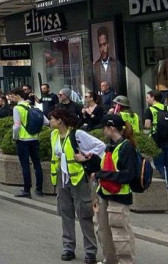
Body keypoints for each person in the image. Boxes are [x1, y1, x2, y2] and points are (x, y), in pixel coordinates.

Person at [48, 108, 103, 263]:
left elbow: (99, 145)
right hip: (63, 180)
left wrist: (85, 157)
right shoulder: (53, 135)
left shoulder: (77, 134)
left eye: (51, 119)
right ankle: (68, 248)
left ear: (60, 120)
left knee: (84, 215)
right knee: (66, 214)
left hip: (78, 179)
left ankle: (90, 252)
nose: (50, 122)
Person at [94, 114, 137, 264]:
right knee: (104, 231)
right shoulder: (110, 145)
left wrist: (101, 174)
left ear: (111, 128)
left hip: (119, 196)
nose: (102, 131)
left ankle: (126, 261)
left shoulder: (126, 147)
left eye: (104, 128)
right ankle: (110, 260)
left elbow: (127, 175)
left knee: (120, 233)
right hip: (105, 193)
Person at [11, 87, 44, 197]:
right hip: (34, 138)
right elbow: (45, 121)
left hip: (23, 140)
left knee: (25, 165)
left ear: (17, 96)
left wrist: (15, 137)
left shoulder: (17, 108)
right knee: (37, 164)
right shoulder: (31, 106)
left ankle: (27, 190)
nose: (11, 98)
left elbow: (16, 126)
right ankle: (39, 189)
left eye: (12, 96)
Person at [144, 90, 168, 195]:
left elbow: (147, 126)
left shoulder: (150, 110)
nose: (147, 99)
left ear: (153, 98)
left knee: (159, 165)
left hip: (156, 140)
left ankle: (162, 187)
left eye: (148, 97)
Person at [91, 26, 121, 95]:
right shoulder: (95, 66)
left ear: (108, 44)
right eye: (100, 45)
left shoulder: (116, 64)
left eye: (104, 44)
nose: (102, 49)